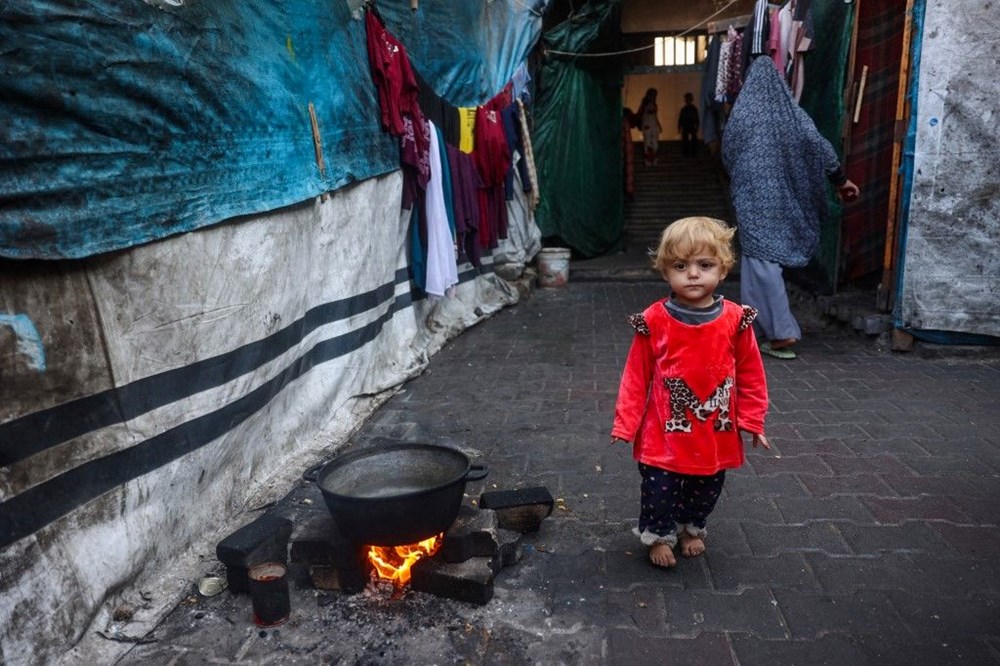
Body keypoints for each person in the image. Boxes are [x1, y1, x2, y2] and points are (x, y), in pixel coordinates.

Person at [611, 217, 771, 568]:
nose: (693, 274)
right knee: (659, 488)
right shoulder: (654, 320)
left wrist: (753, 420)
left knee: (706, 486)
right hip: (663, 433)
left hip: (715, 430)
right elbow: (636, 376)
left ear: (723, 269)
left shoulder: (735, 320)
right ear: (666, 272)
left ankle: (691, 527)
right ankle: (659, 533)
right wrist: (626, 424)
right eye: (681, 266)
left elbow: (750, 374)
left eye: (705, 265)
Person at [722, 57, 860, 359]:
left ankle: (782, 332)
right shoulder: (791, 115)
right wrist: (840, 180)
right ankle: (755, 329)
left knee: (762, 263)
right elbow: (817, 143)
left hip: (750, 200)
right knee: (757, 263)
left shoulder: (741, 115)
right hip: (782, 199)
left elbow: (727, 152)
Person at [636, 88, 662, 166]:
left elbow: (655, 116)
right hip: (647, 124)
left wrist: (659, 125)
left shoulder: (654, 105)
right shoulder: (644, 105)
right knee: (647, 143)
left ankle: (653, 159)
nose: (653, 96)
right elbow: (640, 114)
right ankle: (648, 160)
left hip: (653, 125)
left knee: (654, 143)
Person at [677, 92, 700, 158]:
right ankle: (688, 153)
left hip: (689, 125)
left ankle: (691, 153)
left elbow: (696, 118)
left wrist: (697, 125)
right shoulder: (685, 109)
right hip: (687, 125)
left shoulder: (691, 109)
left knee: (691, 139)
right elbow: (681, 119)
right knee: (686, 139)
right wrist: (679, 126)